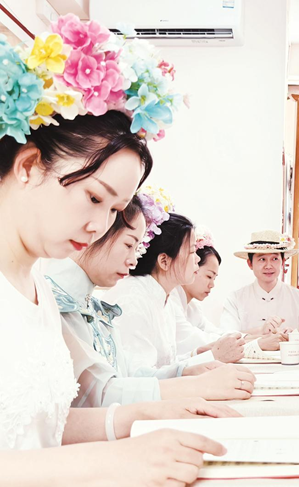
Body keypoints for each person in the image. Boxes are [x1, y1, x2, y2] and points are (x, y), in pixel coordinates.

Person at [0, 16, 228, 483]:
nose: (99, 226)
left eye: (115, 210)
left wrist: (145, 416)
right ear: (28, 166)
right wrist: (115, 458)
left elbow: (43, 427)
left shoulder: (36, 282)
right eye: (93, 198)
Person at [47, 198, 255, 406]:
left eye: (136, 248)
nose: (133, 260)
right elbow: (103, 394)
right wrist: (197, 383)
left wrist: (190, 369)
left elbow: (129, 375)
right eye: (128, 245)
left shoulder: (96, 305)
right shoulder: (121, 299)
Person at [103, 202, 252, 401]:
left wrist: (197, 354)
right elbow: (138, 378)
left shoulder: (164, 298)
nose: (197, 260)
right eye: (191, 252)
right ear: (164, 261)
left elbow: (165, 365)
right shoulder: (134, 299)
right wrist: (208, 357)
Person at [170, 226, 285, 354]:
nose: (212, 285)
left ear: (283, 262)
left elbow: (218, 334)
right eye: (209, 276)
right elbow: (201, 340)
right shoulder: (171, 302)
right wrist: (259, 342)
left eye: (275, 259)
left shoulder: (193, 307)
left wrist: (261, 338)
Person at [221, 230, 299, 335]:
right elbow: (228, 338)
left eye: (274, 259)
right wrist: (260, 331)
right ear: (250, 263)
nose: (268, 266)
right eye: (262, 259)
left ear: (283, 262)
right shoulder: (235, 299)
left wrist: (296, 337)